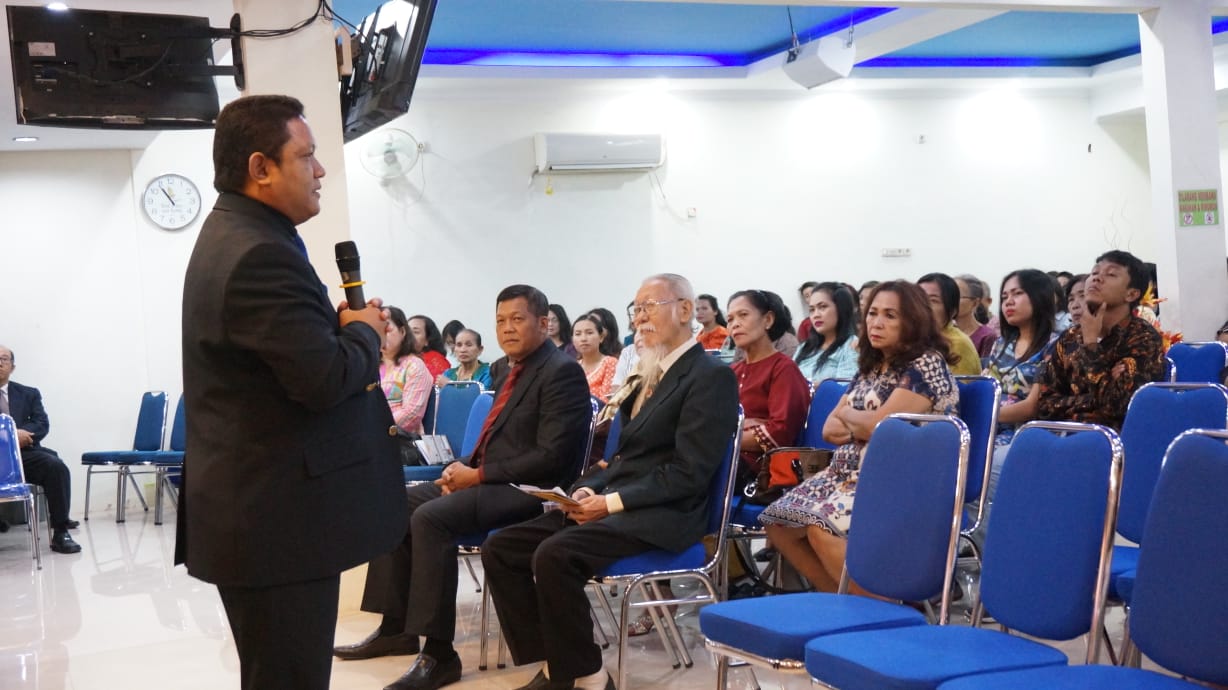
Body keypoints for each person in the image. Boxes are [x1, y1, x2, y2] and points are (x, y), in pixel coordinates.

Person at [178, 95, 407, 690]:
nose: (321, 170)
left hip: (263, 515)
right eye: (306, 156)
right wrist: (363, 333)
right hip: (276, 523)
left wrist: (342, 330)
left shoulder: (239, 233)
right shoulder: (259, 253)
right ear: (261, 167)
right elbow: (324, 380)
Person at [481, 274, 740, 690]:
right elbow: (623, 458)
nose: (639, 318)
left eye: (649, 306)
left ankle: (585, 678)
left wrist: (611, 502)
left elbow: (688, 472)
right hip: (621, 502)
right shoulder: (649, 371)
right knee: (503, 548)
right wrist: (588, 489)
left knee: (555, 555)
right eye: (636, 309)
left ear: (685, 310)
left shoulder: (709, 376)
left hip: (666, 513)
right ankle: (559, 664)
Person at [334, 284, 593, 690]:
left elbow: (552, 458)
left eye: (517, 319)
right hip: (491, 481)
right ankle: (396, 628)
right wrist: (461, 468)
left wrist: (478, 476)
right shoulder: (508, 369)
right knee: (396, 502)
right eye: (501, 321)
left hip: (530, 490)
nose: (507, 328)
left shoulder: (562, 372)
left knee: (431, 519)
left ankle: (439, 655)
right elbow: (497, 439)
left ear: (544, 323)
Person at [759, 281, 959, 593]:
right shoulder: (871, 366)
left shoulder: (925, 363)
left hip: (899, 480)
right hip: (845, 475)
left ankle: (878, 608)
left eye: (890, 315)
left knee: (820, 528)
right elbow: (829, 429)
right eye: (872, 313)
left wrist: (852, 416)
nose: (876, 322)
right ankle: (840, 602)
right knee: (778, 524)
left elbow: (880, 428)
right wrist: (862, 423)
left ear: (914, 320)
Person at [1037, 250, 1165, 430]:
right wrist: (1092, 399)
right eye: (1094, 272)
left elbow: (1115, 406)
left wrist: (1091, 343)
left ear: (1131, 294)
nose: (1096, 278)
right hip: (1062, 435)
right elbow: (1044, 404)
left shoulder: (1143, 338)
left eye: (1111, 274)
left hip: (1111, 440)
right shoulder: (1070, 337)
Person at [979, 269, 1060, 502]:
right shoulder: (1002, 344)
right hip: (992, 426)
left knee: (983, 464)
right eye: (1004, 297)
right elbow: (987, 389)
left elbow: (1032, 407)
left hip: (1025, 431)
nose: (1008, 302)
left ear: (1039, 296)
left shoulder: (1056, 345)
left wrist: (983, 415)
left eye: (1017, 294)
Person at [0, 345, 81, 554]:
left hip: (22, 455)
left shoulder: (28, 393)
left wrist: (21, 436)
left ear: (12, 367)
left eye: (4, 359)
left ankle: (61, 531)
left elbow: (41, 423)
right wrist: (11, 435)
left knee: (55, 465)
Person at [727, 290, 811, 482]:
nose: (735, 324)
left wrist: (729, 437)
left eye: (743, 315)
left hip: (759, 468)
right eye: (730, 319)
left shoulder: (783, 369)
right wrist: (745, 426)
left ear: (768, 320)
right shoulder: (732, 371)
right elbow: (714, 422)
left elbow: (780, 432)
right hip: (727, 458)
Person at [382, 307, 435, 434]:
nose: (381, 335)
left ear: (402, 331)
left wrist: (373, 427)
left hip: (398, 438)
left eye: (387, 329)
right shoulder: (369, 366)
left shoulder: (414, 366)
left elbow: (411, 414)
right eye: (376, 330)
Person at [793, 282, 859, 382]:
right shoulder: (804, 347)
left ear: (841, 308)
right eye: (812, 310)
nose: (816, 315)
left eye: (822, 307)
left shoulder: (852, 346)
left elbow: (845, 387)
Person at [917, 272, 981, 375]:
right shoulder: (911, 339)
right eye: (918, 299)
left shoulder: (957, 344)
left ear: (952, 311)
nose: (922, 305)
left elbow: (957, 385)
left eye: (933, 300)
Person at [573, 314, 619, 400]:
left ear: (601, 337)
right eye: (578, 334)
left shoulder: (610, 363)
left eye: (589, 333)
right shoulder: (573, 367)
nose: (583, 338)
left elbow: (606, 401)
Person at [954, 274, 997, 358]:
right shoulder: (942, 333)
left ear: (975, 303)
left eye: (957, 296)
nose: (951, 300)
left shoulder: (987, 337)